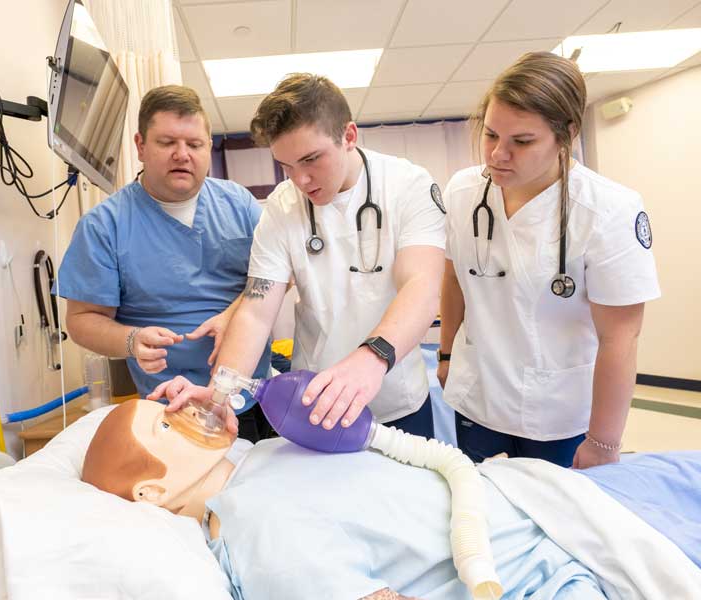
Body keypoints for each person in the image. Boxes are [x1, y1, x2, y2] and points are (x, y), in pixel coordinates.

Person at [82, 399, 701, 600]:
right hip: (559, 554)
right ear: (151, 489)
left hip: (553, 496)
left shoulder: (266, 452)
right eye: (162, 425)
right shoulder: (261, 550)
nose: (183, 411)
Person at [153, 73, 447, 439]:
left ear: (349, 136)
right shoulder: (282, 206)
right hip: (313, 400)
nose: (301, 180)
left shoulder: (408, 186)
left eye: (311, 159)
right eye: (287, 166)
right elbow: (258, 312)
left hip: (394, 398)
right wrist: (220, 397)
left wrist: (371, 359)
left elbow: (421, 287)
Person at [437, 52, 661, 468]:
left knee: (557, 519)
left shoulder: (609, 209)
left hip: (559, 413)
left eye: (522, 142)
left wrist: (604, 442)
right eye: (490, 135)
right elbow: (453, 276)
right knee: (483, 513)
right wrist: (446, 353)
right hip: (477, 395)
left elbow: (621, 337)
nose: (497, 155)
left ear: (567, 134)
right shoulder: (462, 192)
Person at [59, 85, 274, 442]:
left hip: (250, 394)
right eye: (167, 142)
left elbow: (281, 274)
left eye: (194, 144)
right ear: (140, 145)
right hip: (170, 408)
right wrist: (131, 340)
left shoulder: (238, 203)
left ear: (208, 147)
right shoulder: (104, 226)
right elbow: (81, 321)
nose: (182, 155)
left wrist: (232, 312)